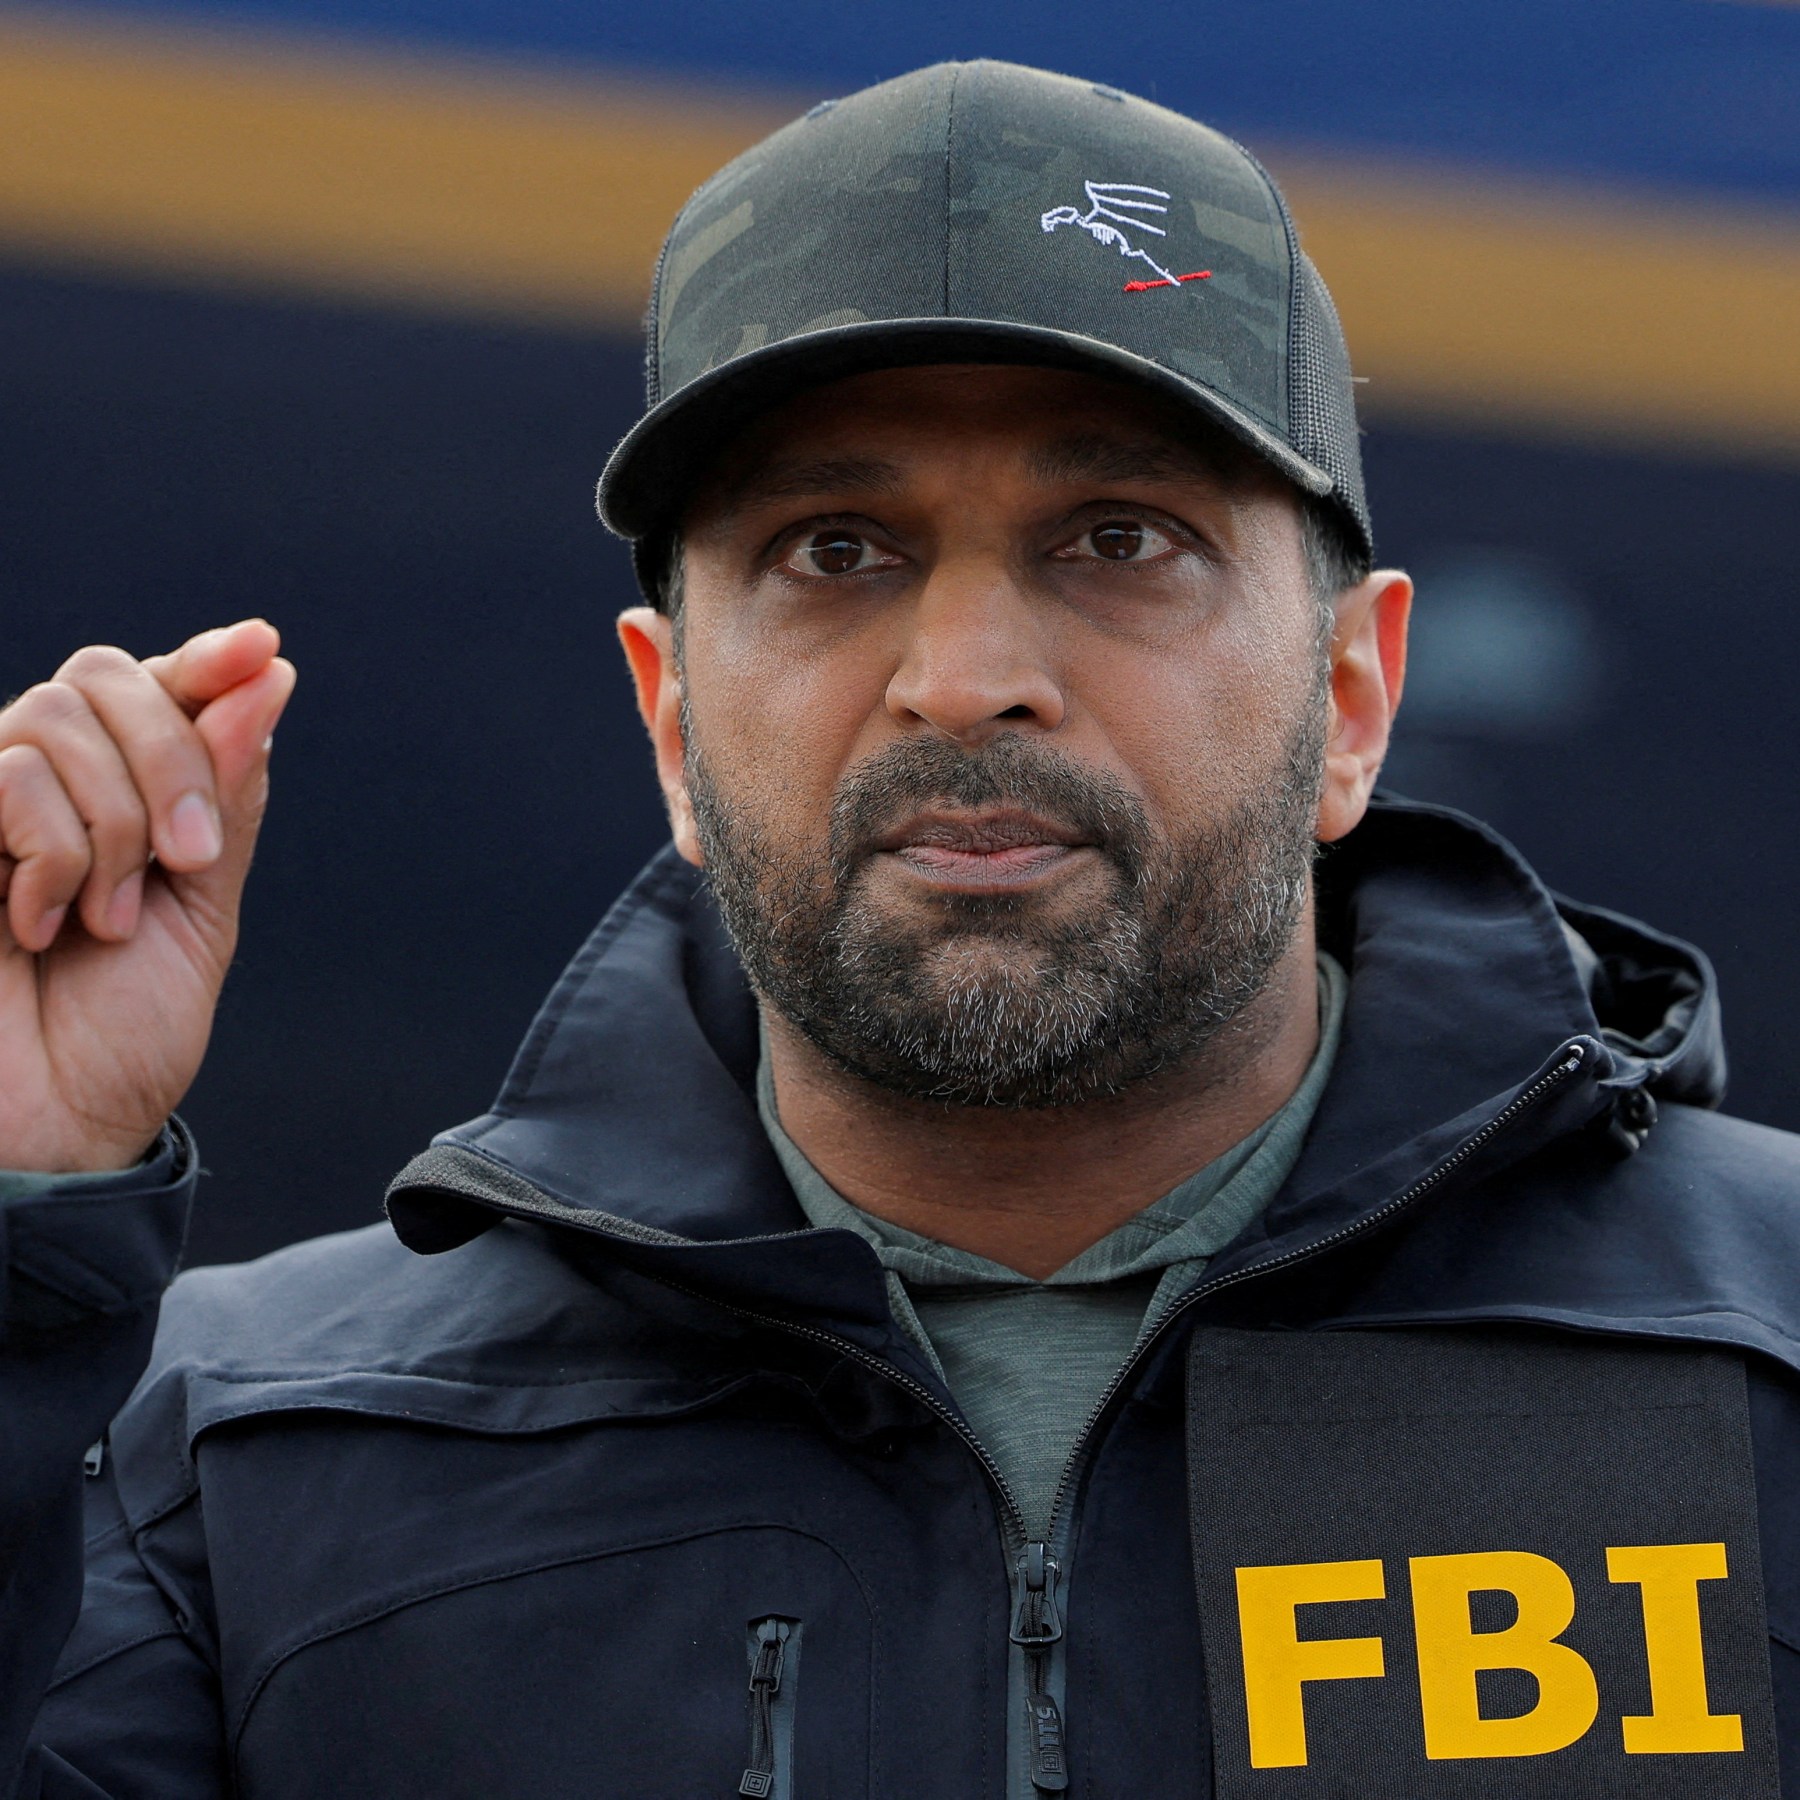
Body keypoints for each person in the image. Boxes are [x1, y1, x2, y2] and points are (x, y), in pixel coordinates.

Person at [3, 59, 1796, 1800]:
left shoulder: (1763, 1357)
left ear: (1351, 698)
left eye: (1118, 538)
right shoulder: (234, 1461)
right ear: (671, 724)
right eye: (835, 550)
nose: (965, 679)